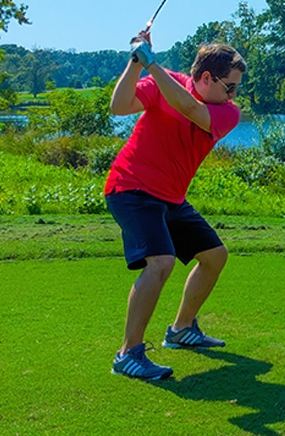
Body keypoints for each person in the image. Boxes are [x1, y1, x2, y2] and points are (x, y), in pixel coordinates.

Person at [106, 32, 246, 380]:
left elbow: (189, 108)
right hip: (131, 188)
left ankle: (182, 329)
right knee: (161, 262)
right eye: (230, 87)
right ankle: (128, 353)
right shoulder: (162, 83)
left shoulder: (227, 113)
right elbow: (119, 106)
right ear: (205, 78)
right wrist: (136, 63)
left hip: (170, 197)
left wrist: (151, 63)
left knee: (215, 256)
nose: (234, 95)